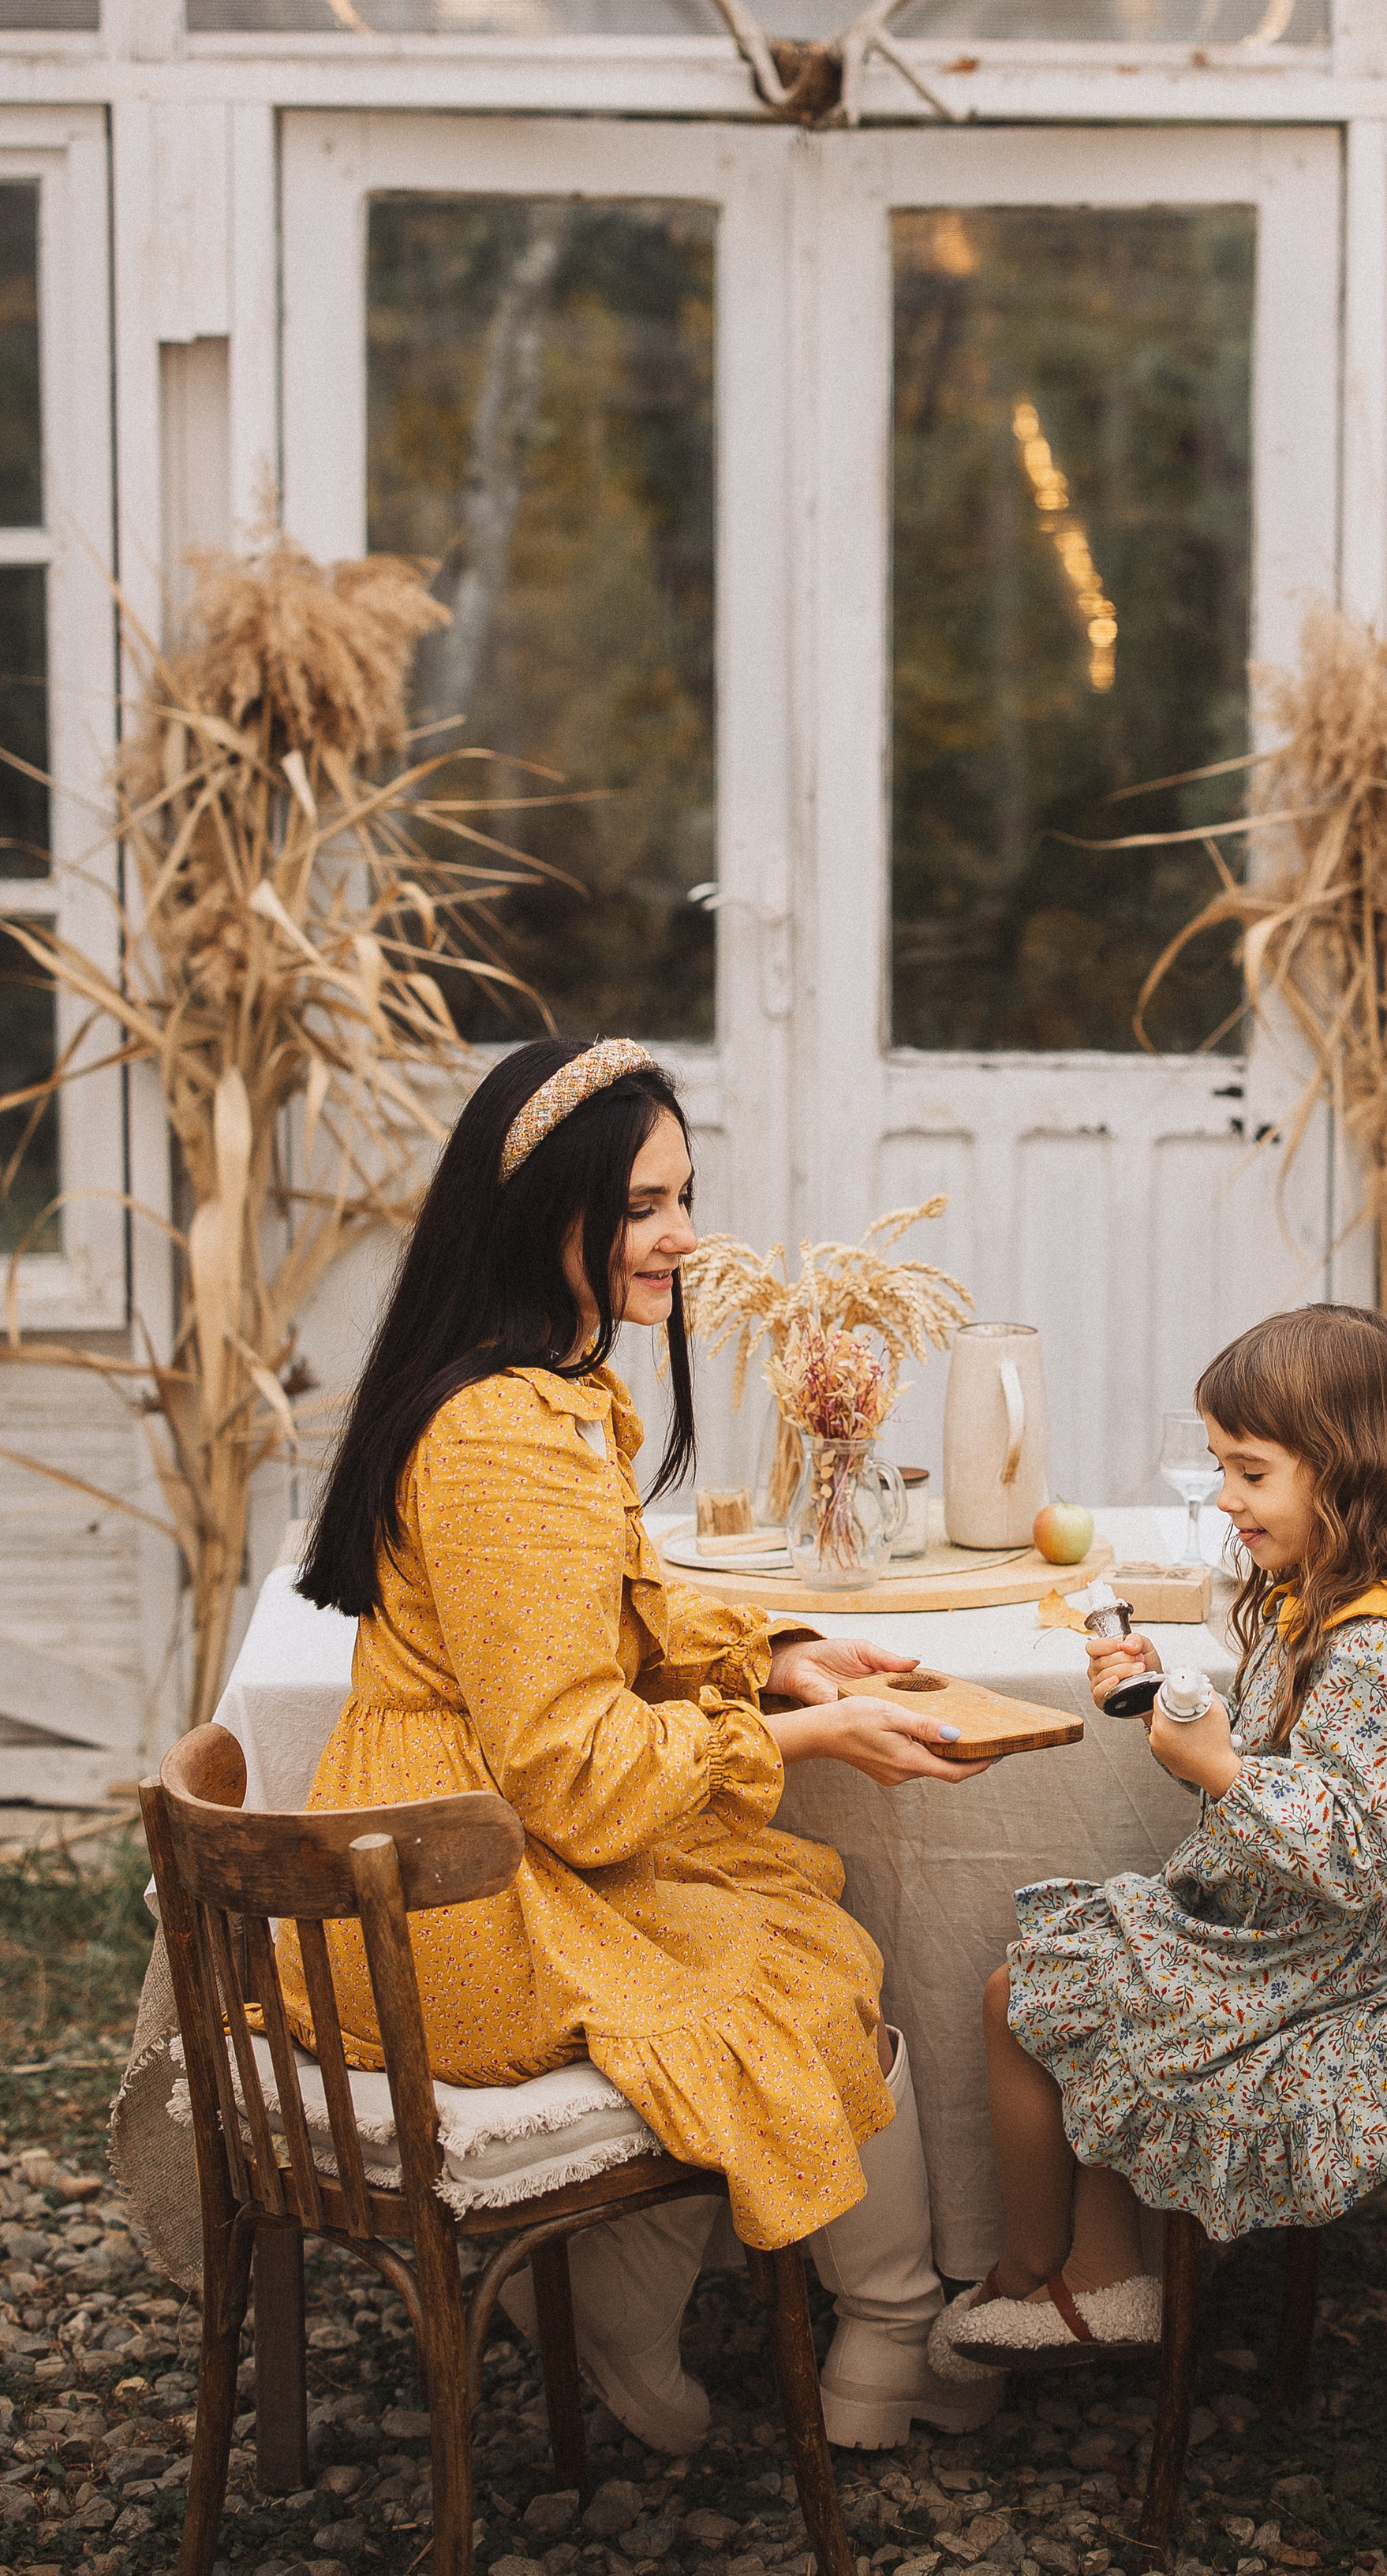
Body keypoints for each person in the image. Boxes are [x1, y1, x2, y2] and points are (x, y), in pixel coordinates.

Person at [280, 1035, 1000, 2451]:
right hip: (449, 1887)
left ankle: (840, 2332)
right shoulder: (506, 1436)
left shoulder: (531, 1391)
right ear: (538, 1214)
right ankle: (813, 2331)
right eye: (640, 1208)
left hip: (450, 1833)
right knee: (790, 1969)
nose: (683, 1236)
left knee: (801, 1928)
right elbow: (568, 1769)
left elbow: (604, 1608)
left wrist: (773, 1662)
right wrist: (804, 1739)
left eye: (684, 1198)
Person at [928, 1302, 1387, 2372]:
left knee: (1032, 1995)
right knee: (1066, 1982)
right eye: (1220, 1468)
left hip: (1326, 1952)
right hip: (1289, 1923)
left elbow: (1359, 1846)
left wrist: (1222, 1770)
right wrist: (1170, 1702)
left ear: (1347, 1473)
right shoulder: (1319, 1598)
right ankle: (1090, 2270)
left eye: (1251, 1472)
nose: (1227, 1497)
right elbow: (1290, 1756)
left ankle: (1049, 2268)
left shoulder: (1377, 1646)